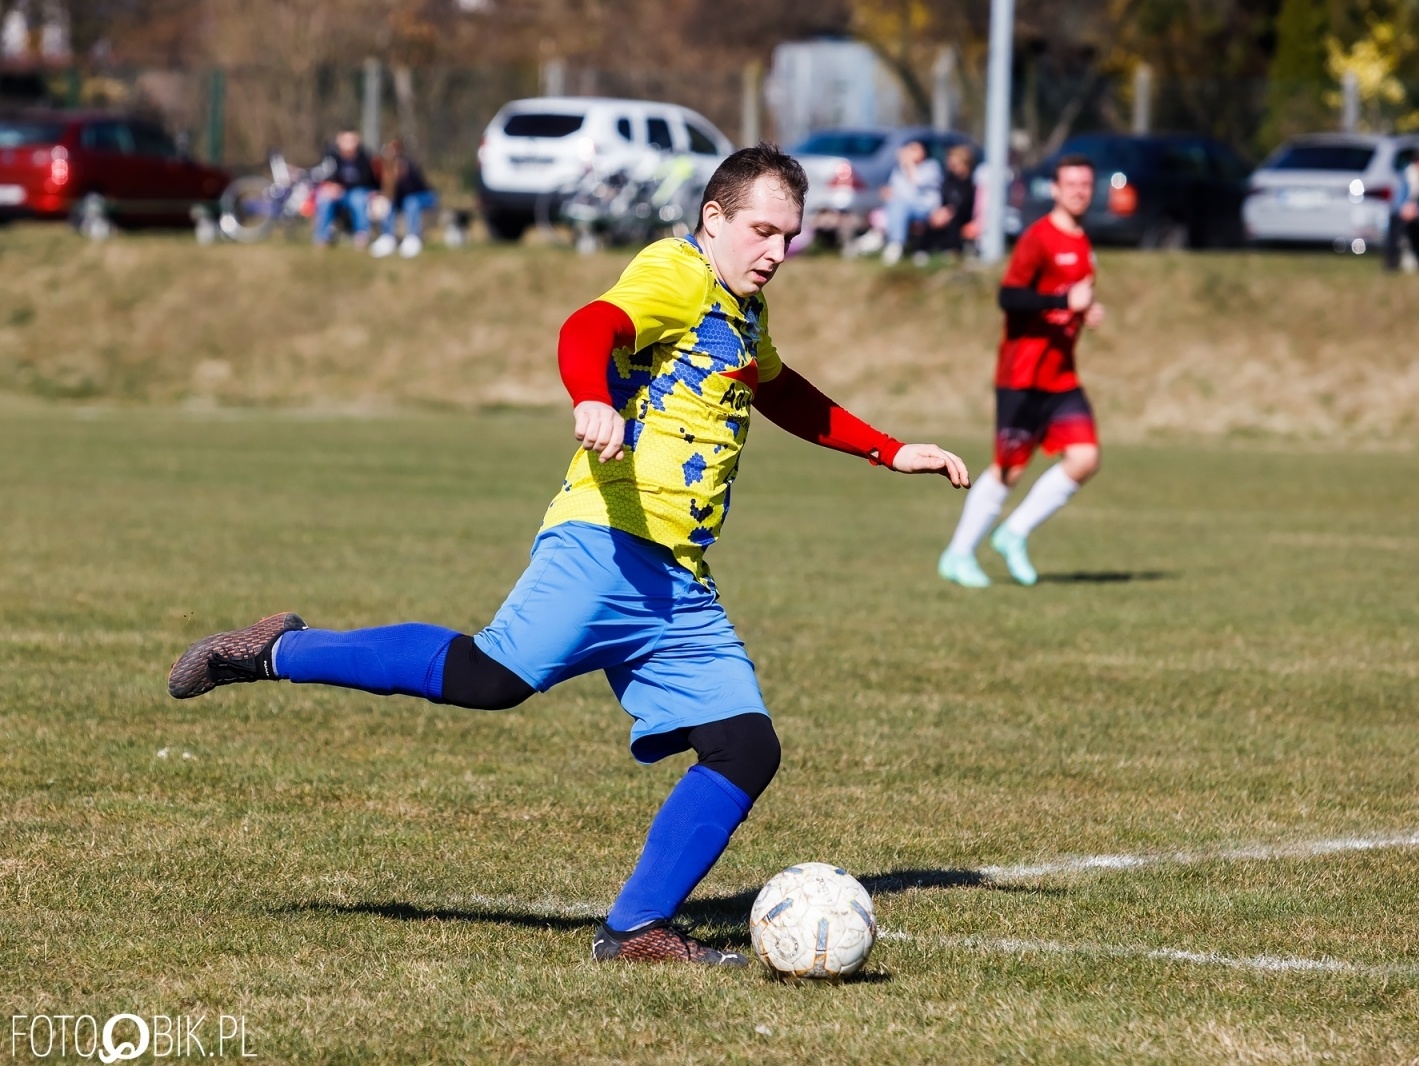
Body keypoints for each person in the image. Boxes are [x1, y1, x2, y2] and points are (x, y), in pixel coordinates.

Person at [166, 144, 970, 967]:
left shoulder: (742, 309)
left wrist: (889, 450)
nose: (778, 252)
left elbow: (779, 388)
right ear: (714, 218)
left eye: (790, 237)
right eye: (763, 231)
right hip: (607, 544)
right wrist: (591, 394)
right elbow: (590, 326)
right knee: (488, 678)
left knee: (746, 746)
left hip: (678, 578)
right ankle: (275, 650)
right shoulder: (677, 272)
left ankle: (635, 929)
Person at [939, 154, 1105, 589]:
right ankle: (958, 554)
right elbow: (1010, 297)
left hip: (1061, 376)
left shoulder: (1084, 243)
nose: (1079, 191)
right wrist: (1063, 303)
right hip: (1023, 375)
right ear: (1055, 189)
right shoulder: (1039, 238)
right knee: (1008, 470)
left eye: (1085, 184)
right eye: (1071, 184)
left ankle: (1014, 532)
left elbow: (1071, 299)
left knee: (1085, 457)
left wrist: (1084, 313)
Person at [312, 128, 379, 250]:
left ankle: (362, 236)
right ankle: (322, 237)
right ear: (339, 141)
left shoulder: (365, 157)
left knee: (358, 199)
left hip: (357, 193)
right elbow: (323, 175)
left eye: (352, 140)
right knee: (324, 198)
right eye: (346, 140)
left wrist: (342, 187)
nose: (349, 143)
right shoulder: (331, 157)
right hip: (336, 195)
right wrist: (330, 186)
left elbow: (367, 180)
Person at [371, 139, 438, 259]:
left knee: (410, 202)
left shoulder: (407, 166)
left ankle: (413, 237)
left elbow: (412, 189)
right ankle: (387, 237)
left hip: (423, 196)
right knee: (388, 203)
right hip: (401, 199)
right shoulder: (382, 168)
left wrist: (399, 180)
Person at [879, 139, 942, 265]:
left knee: (899, 206)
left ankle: (896, 244)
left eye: (914, 149)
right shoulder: (900, 169)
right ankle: (893, 244)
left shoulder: (931, 167)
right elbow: (896, 190)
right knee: (896, 206)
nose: (910, 153)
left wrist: (908, 163)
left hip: (926, 208)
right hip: (903, 208)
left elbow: (917, 181)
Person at [921, 143, 979, 257]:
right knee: (933, 219)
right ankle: (923, 250)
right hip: (946, 212)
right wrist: (940, 212)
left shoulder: (972, 181)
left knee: (953, 220)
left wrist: (950, 211)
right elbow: (943, 198)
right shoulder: (948, 179)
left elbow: (967, 203)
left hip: (963, 215)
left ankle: (952, 249)